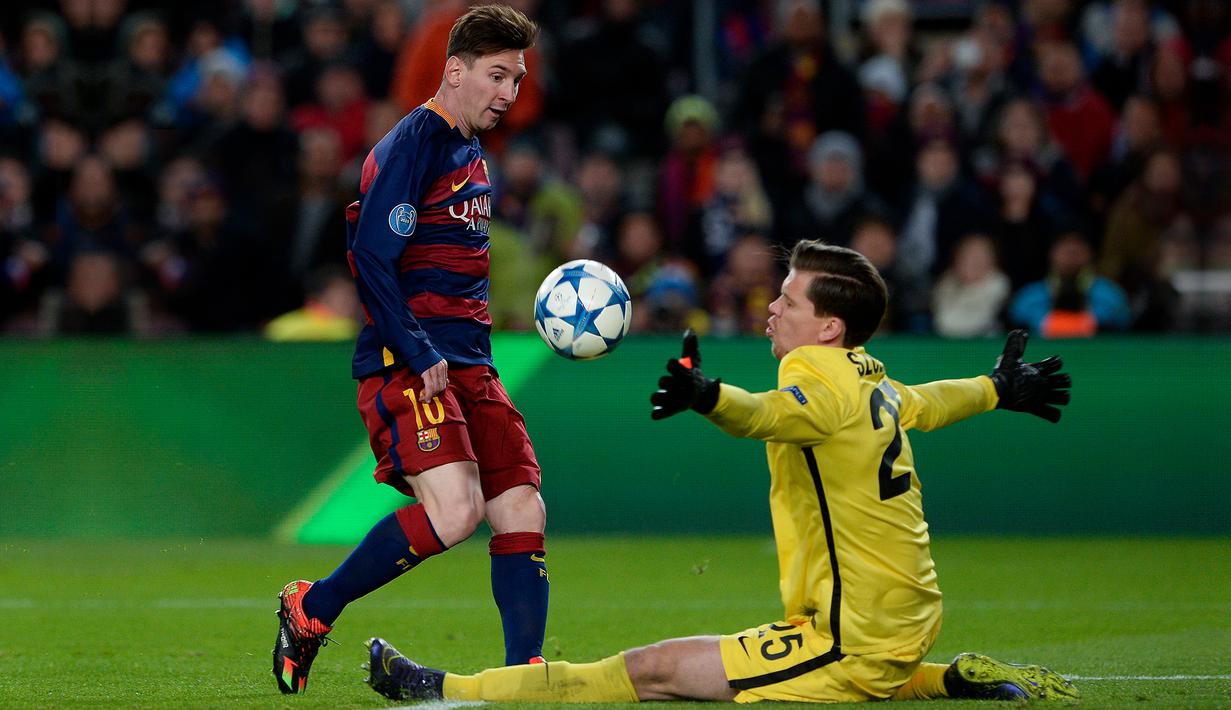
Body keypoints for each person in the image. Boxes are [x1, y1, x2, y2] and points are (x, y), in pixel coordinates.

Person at [362, 240, 1079, 704]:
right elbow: (925, 402)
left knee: (652, 672)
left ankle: (443, 688)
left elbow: (771, 415)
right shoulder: (868, 375)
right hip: (897, 621)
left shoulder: (815, 375)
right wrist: (995, 388)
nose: (772, 308)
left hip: (848, 638)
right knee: (818, 674)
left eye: (789, 300)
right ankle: (952, 679)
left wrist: (709, 397)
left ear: (828, 327)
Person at [272, 5, 548, 695]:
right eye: (496, 76)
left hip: (471, 364)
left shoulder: (469, 148)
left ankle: (525, 677)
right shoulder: (413, 143)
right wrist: (417, 349)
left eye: (515, 79)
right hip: (411, 364)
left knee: (521, 506)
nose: (508, 93)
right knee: (456, 512)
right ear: (453, 71)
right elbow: (370, 257)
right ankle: (313, 606)